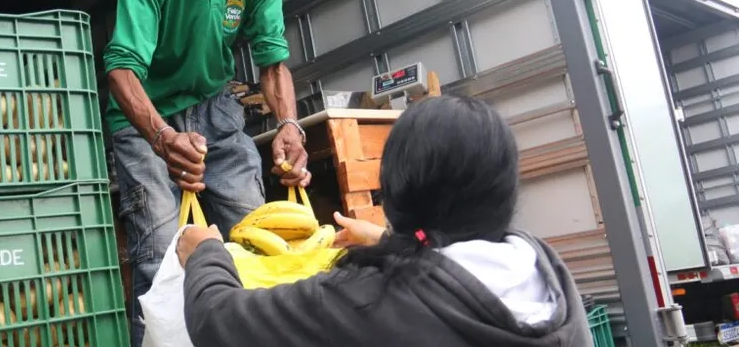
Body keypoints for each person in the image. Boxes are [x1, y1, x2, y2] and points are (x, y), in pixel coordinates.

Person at [177, 95, 592, 346]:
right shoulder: (548, 272)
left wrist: (206, 255)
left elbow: (218, 322)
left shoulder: (361, 301)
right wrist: (385, 240)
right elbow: (457, 275)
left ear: (396, 192)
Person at [101, 0, 310, 344]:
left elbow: (272, 60)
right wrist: (162, 137)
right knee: (161, 254)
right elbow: (121, 68)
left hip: (216, 108)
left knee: (259, 236)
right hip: (146, 114)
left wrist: (289, 126)